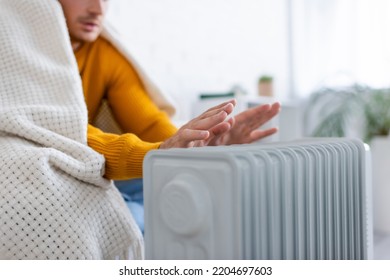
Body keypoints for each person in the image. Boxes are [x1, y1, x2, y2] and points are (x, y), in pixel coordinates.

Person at [58, 0, 281, 233]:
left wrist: (197, 145)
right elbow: (61, 130)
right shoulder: (22, 55)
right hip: (51, 164)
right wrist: (156, 153)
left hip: (93, 164)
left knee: (191, 183)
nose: (98, 9)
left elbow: (148, 122)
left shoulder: (102, 52)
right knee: (140, 211)